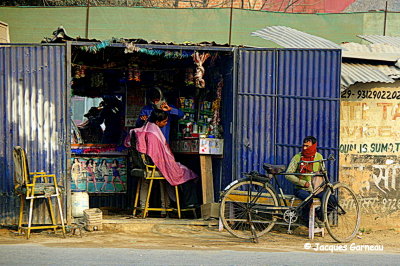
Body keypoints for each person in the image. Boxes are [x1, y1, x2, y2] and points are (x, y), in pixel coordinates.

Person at [126, 109, 199, 212]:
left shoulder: (145, 129)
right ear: (157, 122)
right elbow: (157, 155)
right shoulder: (153, 134)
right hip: (155, 165)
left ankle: (154, 207)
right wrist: (170, 163)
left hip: (145, 164)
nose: (166, 123)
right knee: (187, 174)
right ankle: (188, 204)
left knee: (182, 171)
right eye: (164, 121)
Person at [285, 136, 325, 225]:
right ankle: (306, 221)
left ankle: (319, 217)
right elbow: (288, 174)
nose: (304, 148)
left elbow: (323, 172)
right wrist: (302, 183)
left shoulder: (319, 157)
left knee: (332, 200)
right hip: (301, 189)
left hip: (316, 189)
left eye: (307, 146)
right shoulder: (297, 157)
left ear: (314, 146)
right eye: (304, 146)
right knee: (308, 199)